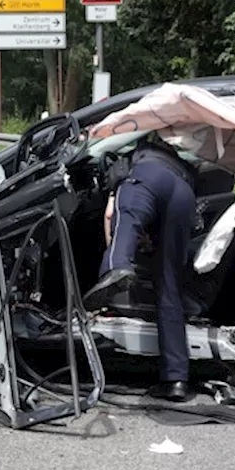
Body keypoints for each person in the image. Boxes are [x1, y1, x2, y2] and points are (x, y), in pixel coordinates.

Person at [84, 133, 198, 402]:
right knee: (169, 286)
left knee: (126, 225)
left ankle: (115, 271)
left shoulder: (130, 158)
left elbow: (114, 214)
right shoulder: (185, 163)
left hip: (147, 179)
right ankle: (176, 380)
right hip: (184, 194)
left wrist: (115, 249)